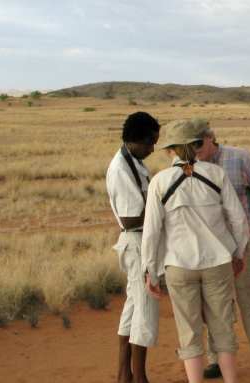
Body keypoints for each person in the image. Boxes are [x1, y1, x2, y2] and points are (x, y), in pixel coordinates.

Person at [141, 118, 250, 383]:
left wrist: (150, 270)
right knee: (223, 328)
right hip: (218, 262)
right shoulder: (216, 174)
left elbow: (152, 232)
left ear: (171, 150)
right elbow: (238, 220)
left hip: (179, 266)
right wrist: (238, 253)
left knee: (189, 331)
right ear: (199, 144)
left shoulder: (160, 181)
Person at [191, 119, 250, 383]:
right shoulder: (191, 166)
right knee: (214, 302)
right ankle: (215, 359)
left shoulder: (240, 158)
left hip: (242, 244)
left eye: (198, 143)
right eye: (190, 144)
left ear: (211, 138)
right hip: (209, 246)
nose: (195, 149)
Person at [106, 111, 161, 383]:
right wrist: (163, 213)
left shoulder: (133, 162)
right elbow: (129, 217)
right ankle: (139, 377)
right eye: (150, 142)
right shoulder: (121, 168)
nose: (152, 148)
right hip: (137, 242)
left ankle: (123, 375)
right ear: (134, 140)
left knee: (132, 308)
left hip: (138, 240)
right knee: (145, 311)